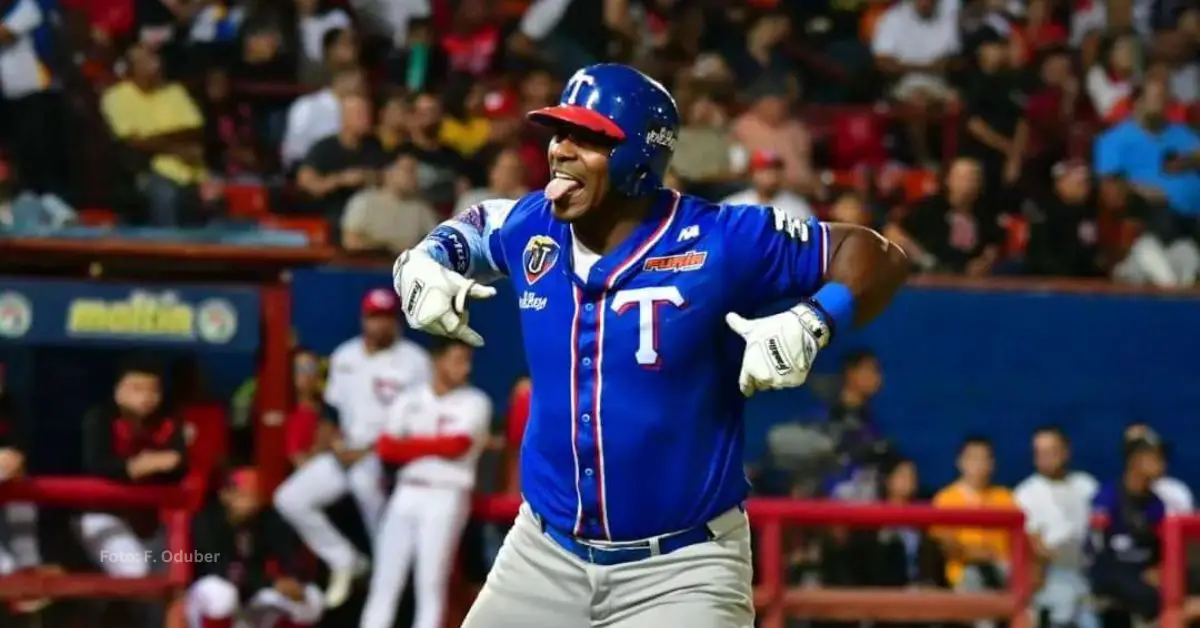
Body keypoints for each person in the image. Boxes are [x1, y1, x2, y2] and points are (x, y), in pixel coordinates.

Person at [390, 63, 909, 627]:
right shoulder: (535, 224)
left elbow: (877, 256)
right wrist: (427, 255)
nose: (561, 150)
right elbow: (480, 222)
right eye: (559, 133)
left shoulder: (720, 239)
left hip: (681, 570)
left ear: (638, 159)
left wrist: (815, 320)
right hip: (543, 554)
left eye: (588, 139)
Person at [274, 288, 431, 609]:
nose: (380, 325)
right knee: (289, 498)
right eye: (375, 317)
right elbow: (330, 411)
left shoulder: (414, 361)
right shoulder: (345, 356)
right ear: (364, 319)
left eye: (387, 318)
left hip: (386, 453)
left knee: (363, 482)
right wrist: (334, 443)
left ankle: (389, 572)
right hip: (344, 450)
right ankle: (346, 560)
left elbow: (421, 419)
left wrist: (369, 450)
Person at [360, 339, 492, 628]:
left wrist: (409, 445)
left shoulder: (475, 401)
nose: (464, 368)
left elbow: (457, 445)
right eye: (457, 360)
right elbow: (386, 448)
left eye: (467, 361)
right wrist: (431, 446)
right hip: (405, 491)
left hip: (446, 494)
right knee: (384, 582)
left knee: (430, 584)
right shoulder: (408, 399)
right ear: (437, 361)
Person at [187, 468, 324, 628]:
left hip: (254, 592)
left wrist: (294, 579)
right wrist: (271, 582)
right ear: (226, 495)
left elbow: (288, 554)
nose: (253, 500)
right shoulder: (207, 521)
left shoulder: (266, 519)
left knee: (312, 599)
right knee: (222, 595)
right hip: (209, 594)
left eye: (255, 493)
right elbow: (222, 569)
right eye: (245, 494)